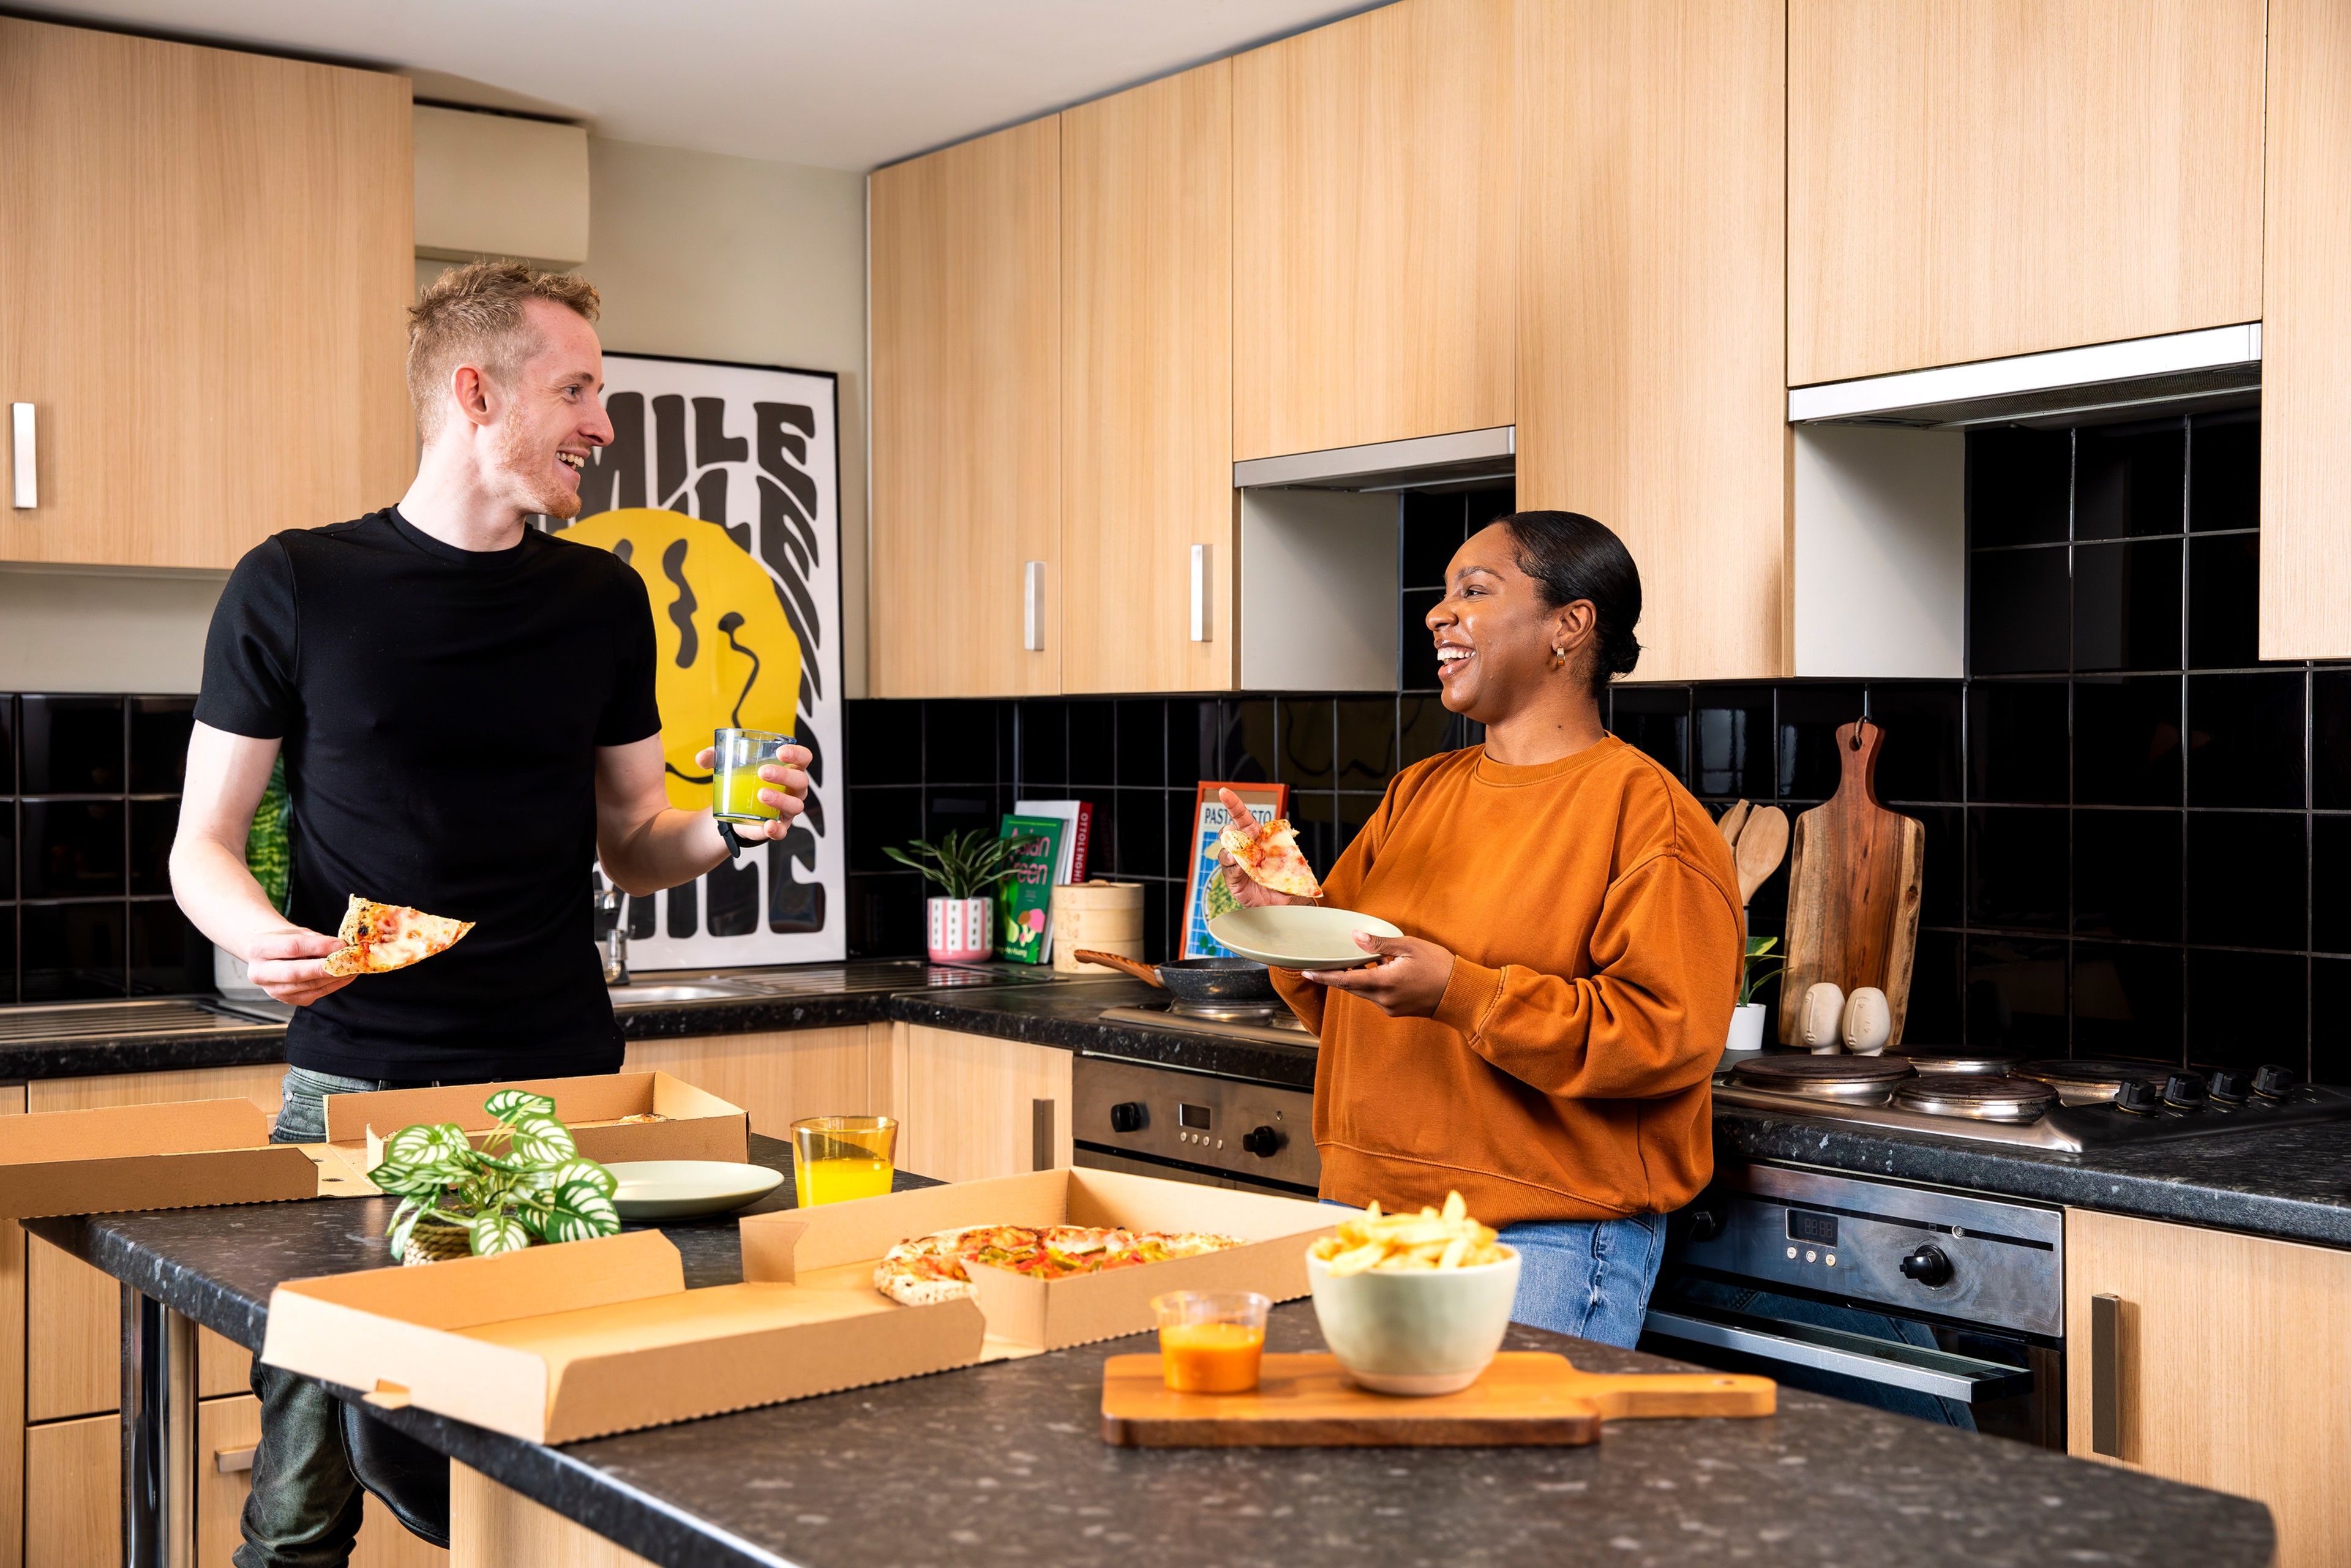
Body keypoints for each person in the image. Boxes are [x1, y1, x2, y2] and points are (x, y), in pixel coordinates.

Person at [171, 260, 811, 1568]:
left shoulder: (599, 599)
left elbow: (635, 844)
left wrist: (733, 824)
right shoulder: (296, 583)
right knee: (303, 1493)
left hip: (562, 1085)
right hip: (359, 1093)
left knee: (548, 1451)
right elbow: (204, 846)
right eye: (576, 389)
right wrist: (259, 937)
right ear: (476, 393)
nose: (602, 424)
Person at [1217, 511, 1741, 1348]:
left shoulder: (1648, 816)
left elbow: (1665, 1036)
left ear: (1570, 625)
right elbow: (1346, 1002)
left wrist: (1457, 992)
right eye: (1444, 591)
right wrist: (1290, 924)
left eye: (1475, 589)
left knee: (1501, 1481)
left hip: (1541, 1231)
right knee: (1370, 1476)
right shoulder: (1417, 793)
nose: (1438, 612)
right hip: (1366, 1208)